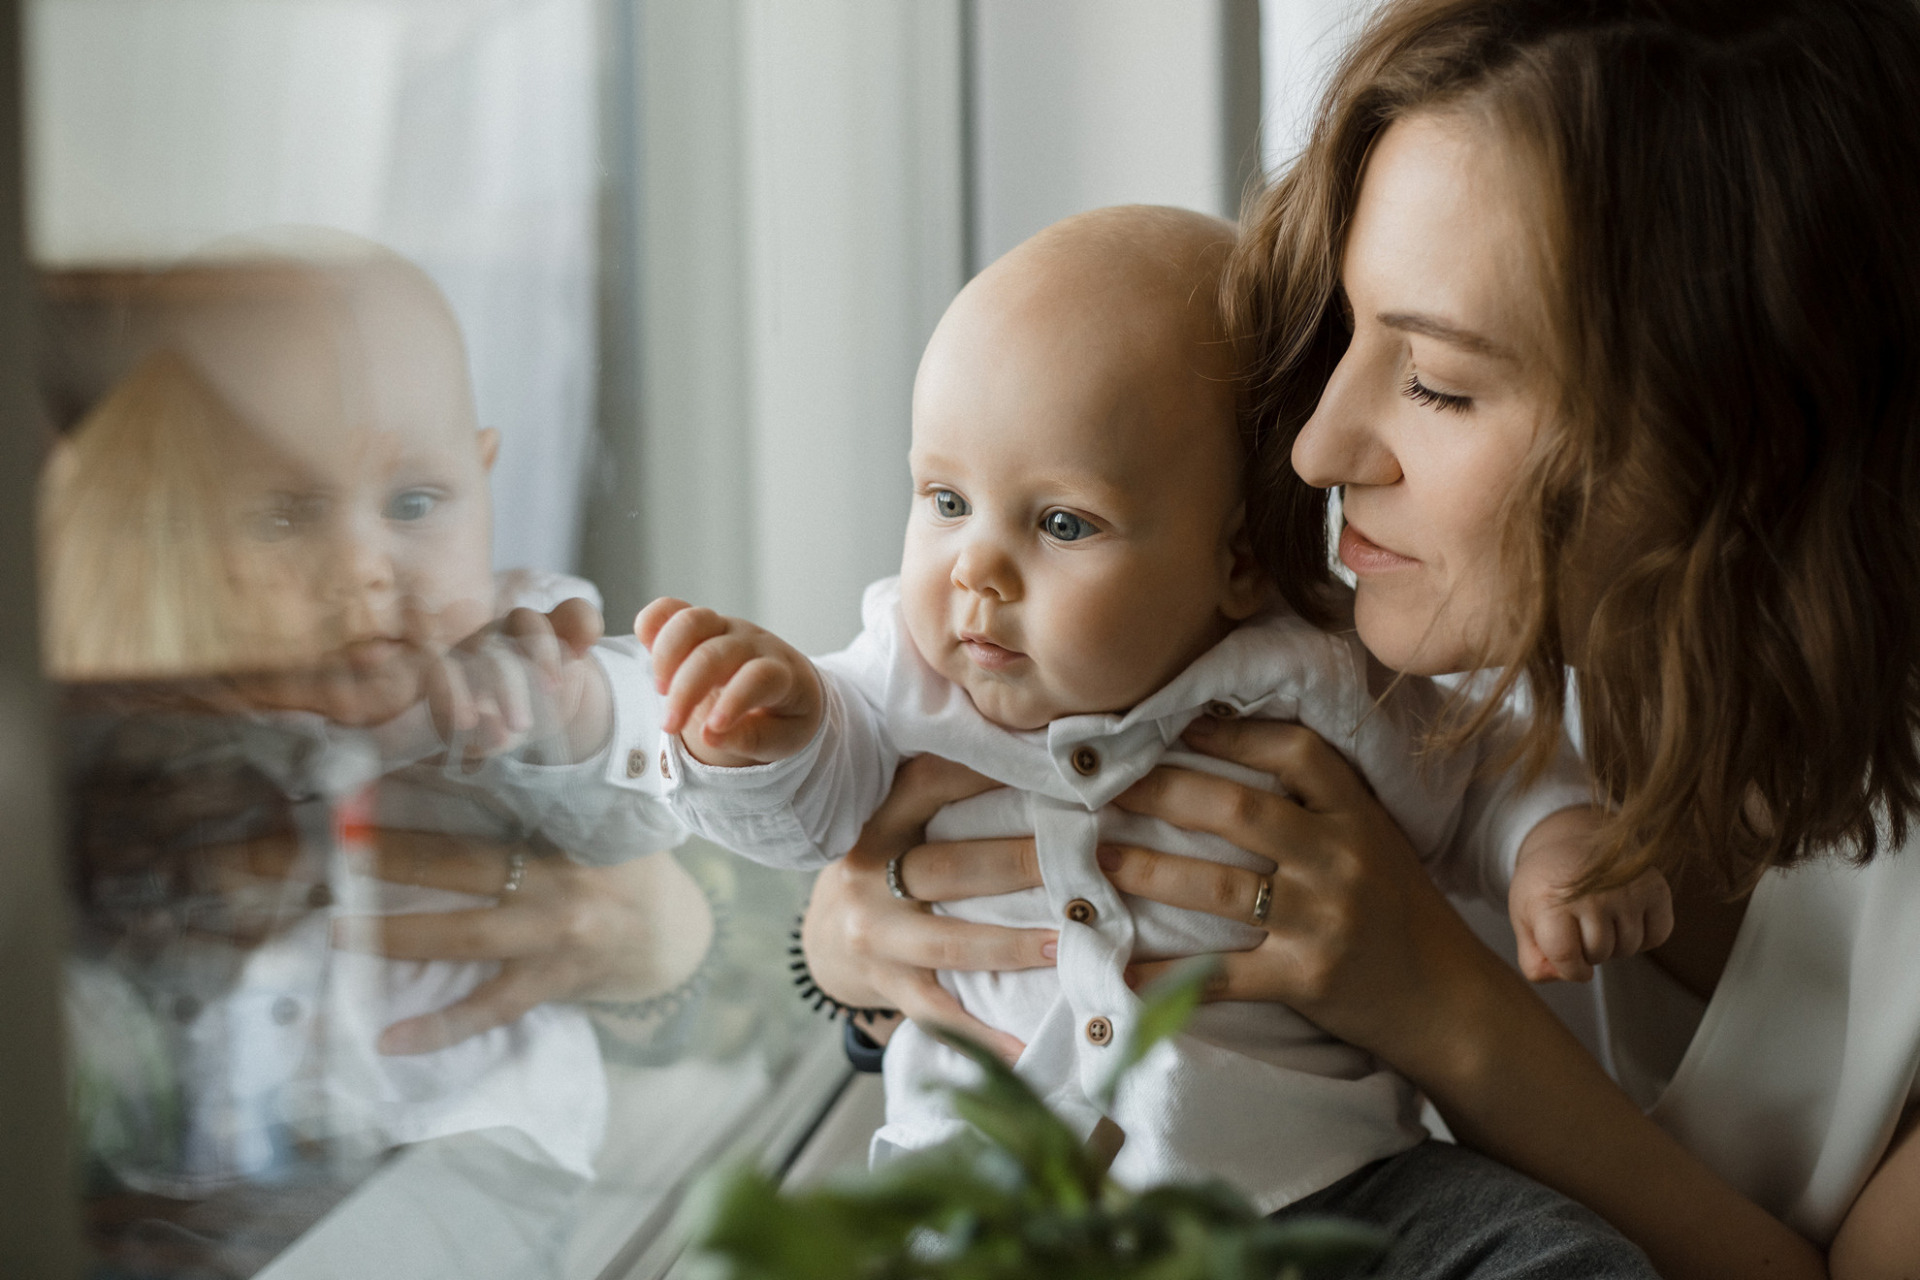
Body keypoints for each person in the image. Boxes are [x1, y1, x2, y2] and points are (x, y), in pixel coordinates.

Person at [794, 2, 1920, 1278]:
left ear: (1735, 417)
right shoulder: (1396, 671)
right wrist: (852, 955)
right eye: (1344, 336)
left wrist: (1441, 1005)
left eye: (1437, 382)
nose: (1317, 449)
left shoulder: (1458, 749)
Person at [637, 204, 1663, 1274]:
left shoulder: (1313, 677)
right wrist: (755, 737)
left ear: (1238, 562)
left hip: (1328, 1188)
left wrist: (1556, 843)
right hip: (992, 1197)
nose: (973, 570)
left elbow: (1491, 773)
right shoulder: (899, 673)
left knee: (1552, 1255)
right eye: (945, 498)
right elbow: (807, 813)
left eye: (1062, 522)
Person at [41, 246, 709, 1195]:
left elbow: (651, 800)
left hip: (475, 1144)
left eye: (413, 503)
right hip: (222, 1175)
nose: (362, 565)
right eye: (283, 516)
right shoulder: (173, 697)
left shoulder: (514, 653)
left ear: (484, 478)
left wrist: (570, 716)